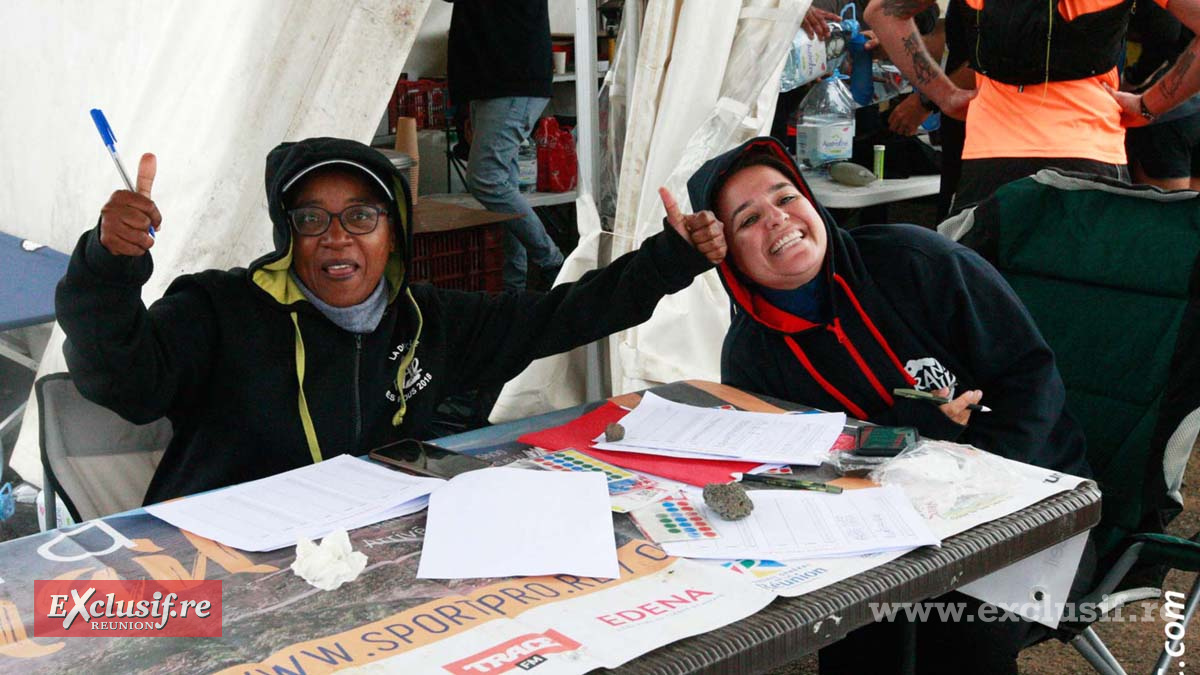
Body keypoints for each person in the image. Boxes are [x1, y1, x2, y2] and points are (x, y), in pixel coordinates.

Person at [56, 137, 723, 504]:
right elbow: (123, 380)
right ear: (287, 233)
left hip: (363, 551)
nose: (336, 236)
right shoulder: (218, 309)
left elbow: (563, 314)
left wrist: (672, 257)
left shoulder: (431, 319)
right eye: (311, 218)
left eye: (362, 216)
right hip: (219, 557)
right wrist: (109, 264)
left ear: (394, 232)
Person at [680, 136, 1091, 673]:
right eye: (748, 219)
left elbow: (1030, 379)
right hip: (879, 538)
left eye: (785, 198)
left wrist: (966, 460)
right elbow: (791, 474)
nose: (777, 221)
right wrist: (919, 436)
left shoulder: (919, 260)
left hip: (1028, 508)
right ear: (728, 255)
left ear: (810, 199)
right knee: (857, 628)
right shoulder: (750, 357)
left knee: (956, 634)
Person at [866, 0, 1200, 214]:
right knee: (1079, 305)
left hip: (990, 158)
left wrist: (943, 95)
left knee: (988, 305)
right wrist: (1148, 105)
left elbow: (882, 12)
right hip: (1090, 155)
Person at [445, 0, 563, 291]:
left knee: (486, 179)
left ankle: (554, 263)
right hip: (490, 80)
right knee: (504, 182)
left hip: (511, 80)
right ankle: (514, 291)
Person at [1124, 0, 1200, 190]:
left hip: (1165, 114)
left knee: (1166, 213)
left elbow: (1164, 31)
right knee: (1189, 214)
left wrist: (1134, 79)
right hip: (1186, 109)